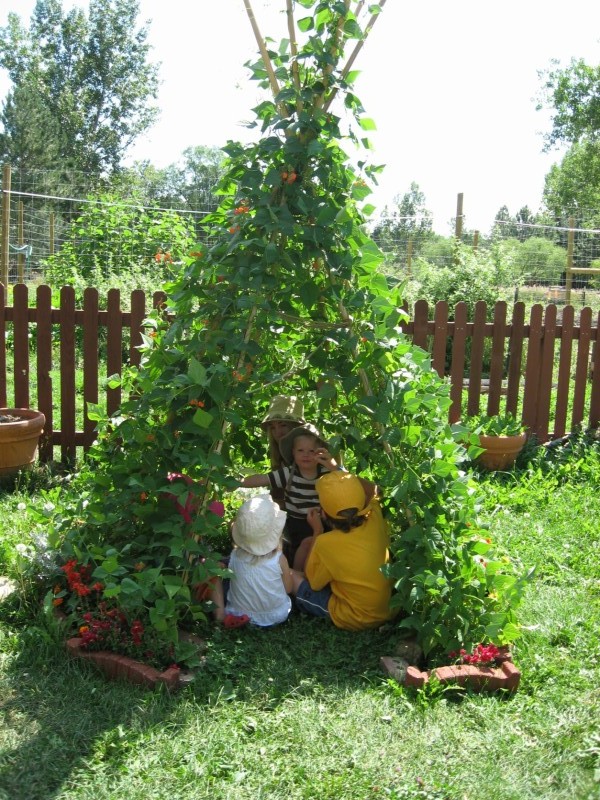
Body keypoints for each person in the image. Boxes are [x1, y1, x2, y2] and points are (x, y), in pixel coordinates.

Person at [289, 470, 395, 631]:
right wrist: (336, 467)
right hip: (390, 609)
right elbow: (375, 490)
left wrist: (317, 531)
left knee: (292, 576)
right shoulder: (375, 516)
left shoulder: (325, 542)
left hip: (358, 617)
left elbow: (313, 583)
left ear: (323, 512)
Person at [239, 423, 341, 564]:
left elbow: (347, 480)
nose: (306, 455)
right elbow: (263, 479)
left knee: (327, 545)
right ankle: (298, 575)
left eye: (311, 451)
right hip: (297, 521)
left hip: (321, 519)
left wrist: (333, 466)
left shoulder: (326, 473)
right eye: (300, 450)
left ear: (320, 453)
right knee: (305, 545)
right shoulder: (289, 473)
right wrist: (237, 482)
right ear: (293, 452)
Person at [207, 493, 294, 628]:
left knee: (214, 569)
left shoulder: (235, 556)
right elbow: (288, 589)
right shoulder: (279, 559)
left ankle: (220, 616)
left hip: (237, 612)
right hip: (275, 616)